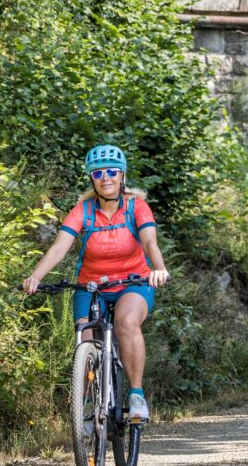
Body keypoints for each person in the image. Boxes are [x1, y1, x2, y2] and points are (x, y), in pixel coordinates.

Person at [22, 144, 169, 422]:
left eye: (112, 171)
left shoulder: (137, 207)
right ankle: (89, 402)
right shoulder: (83, 210)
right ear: (92, 178)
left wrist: (159, 269)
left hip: (134, 282)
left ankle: (136, 395)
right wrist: (36, 276)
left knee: (126, 322)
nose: (106, 177)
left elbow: (150, 242)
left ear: (122, 175)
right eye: (98, 172)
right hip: (91, 285)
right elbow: (59, 247)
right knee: (85, 338)